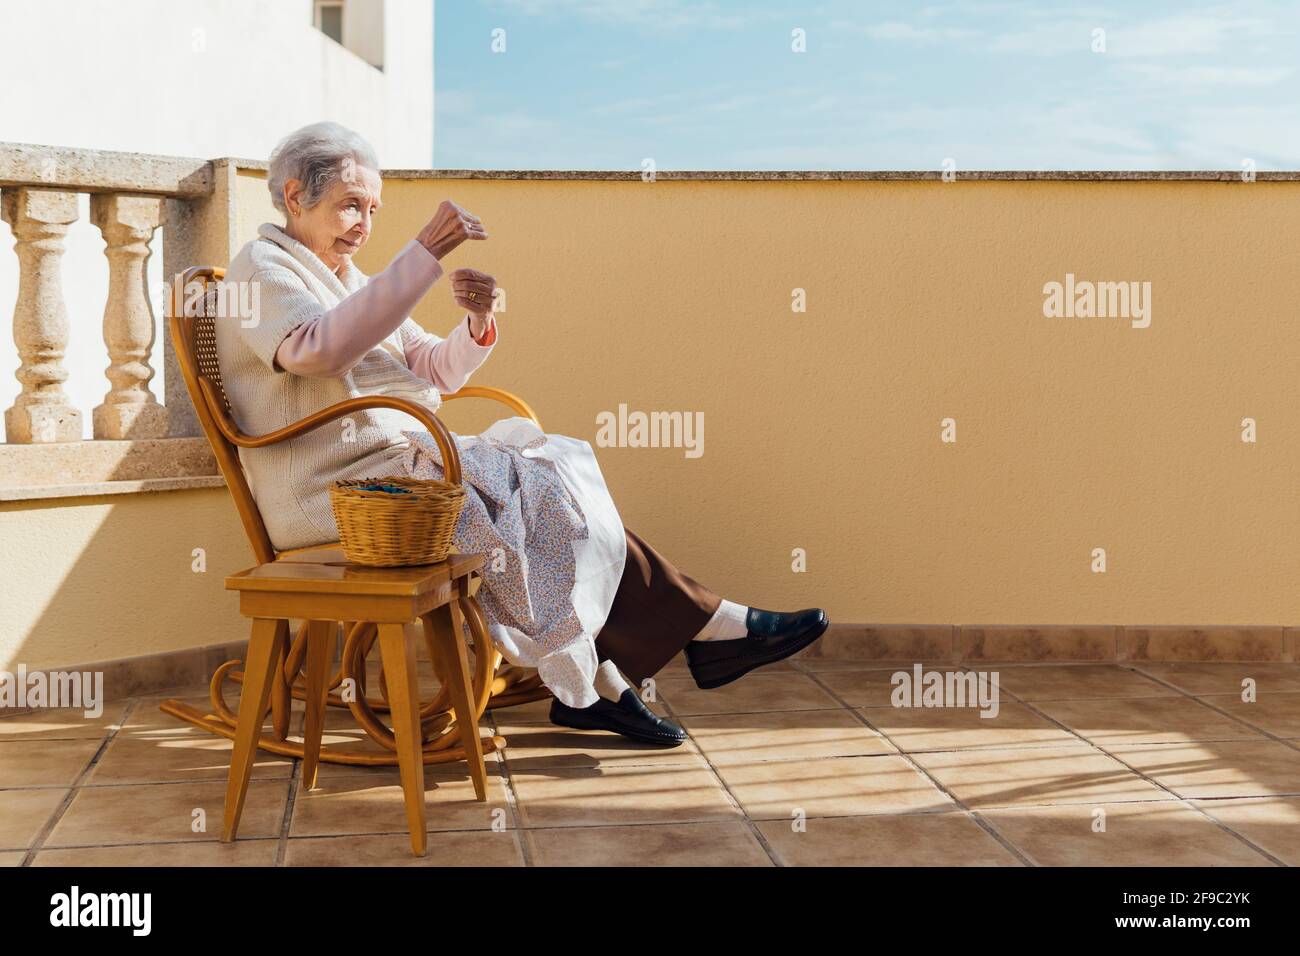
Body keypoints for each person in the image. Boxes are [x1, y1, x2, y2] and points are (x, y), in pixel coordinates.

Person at [215, 121, 828, 747]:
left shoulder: (350, 279)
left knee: (549, 490)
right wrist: (423, 254)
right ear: (294, 197)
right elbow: (316, 353)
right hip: (333, 493)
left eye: (373, 209)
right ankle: (673, 649)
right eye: (350, 204)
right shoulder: (262, 267)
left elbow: (433, 369)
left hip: (398, 479)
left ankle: (610, 678)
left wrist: (477, 322)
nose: (364, 223)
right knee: (521, 494)